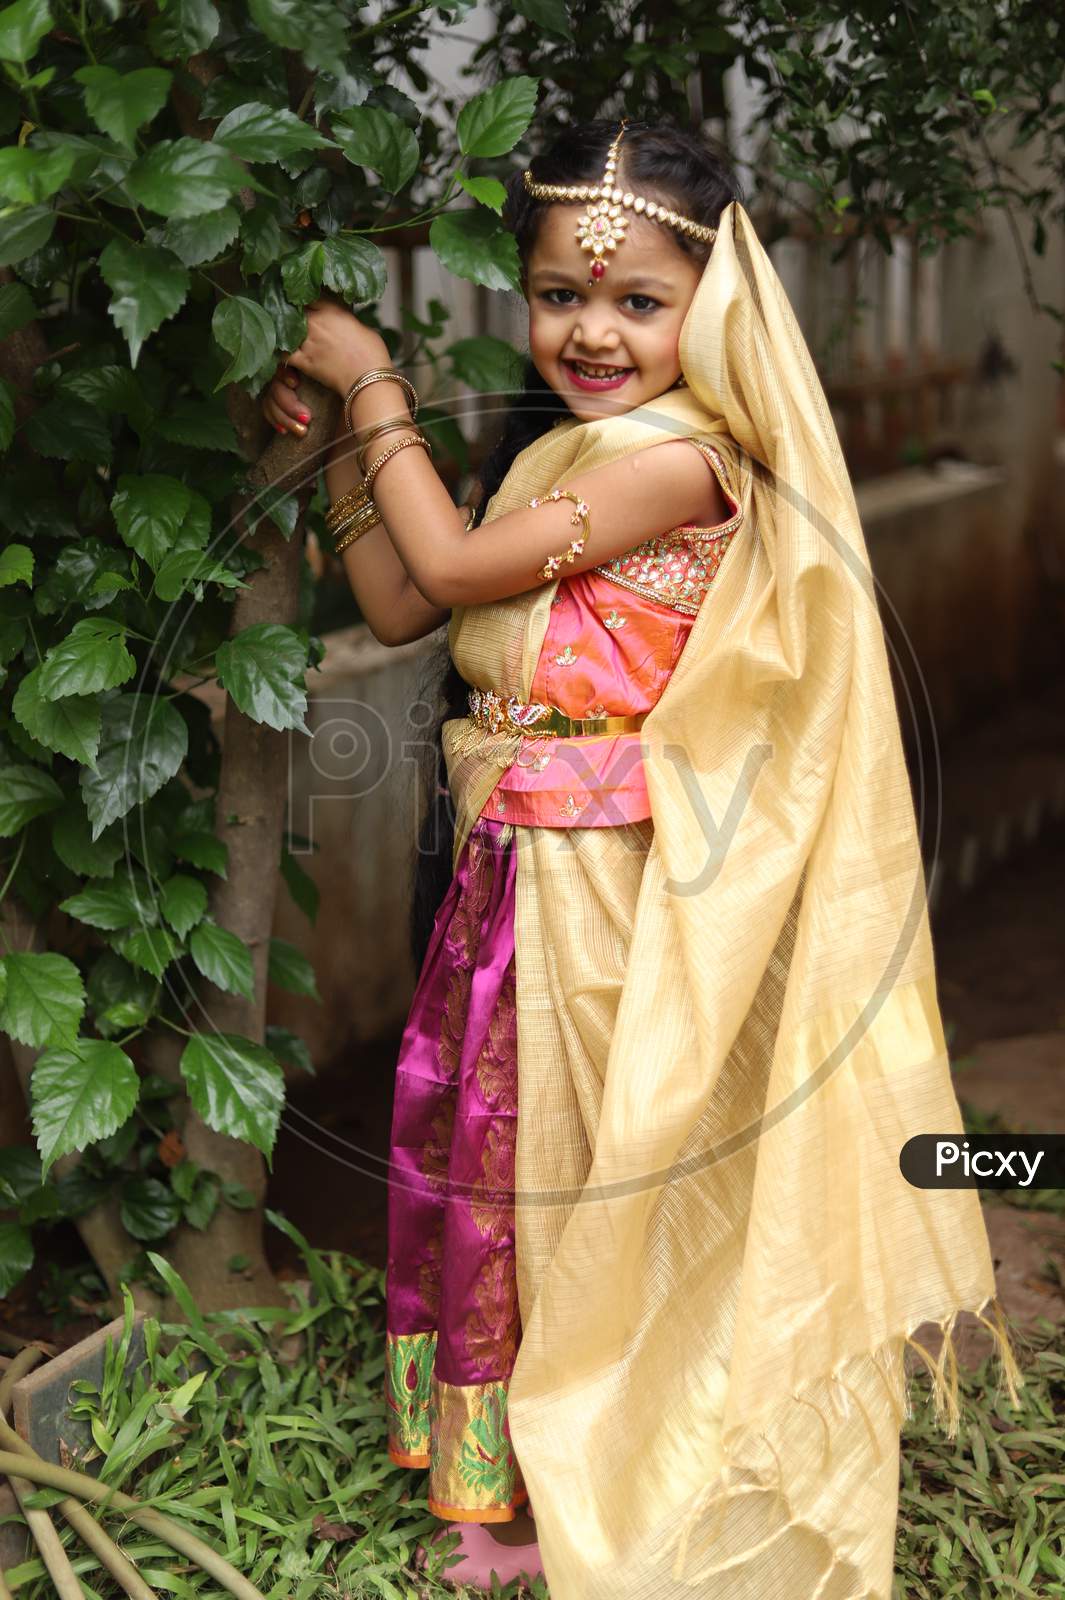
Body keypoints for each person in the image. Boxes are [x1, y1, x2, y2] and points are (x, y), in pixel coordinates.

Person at [263, 118, 1020, 1600]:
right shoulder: (568, 450)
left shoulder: (676, 460)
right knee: (502, 1158)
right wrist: (347, 456)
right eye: (559, 294)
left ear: (711, 307)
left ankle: (617, 1454)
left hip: (613, 888)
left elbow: (468, 568)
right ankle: (516, 1484)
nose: (590, 330)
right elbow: (413, 601)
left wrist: (373, 382)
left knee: (589, 1176)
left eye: (635, 299)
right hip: (519, 873)